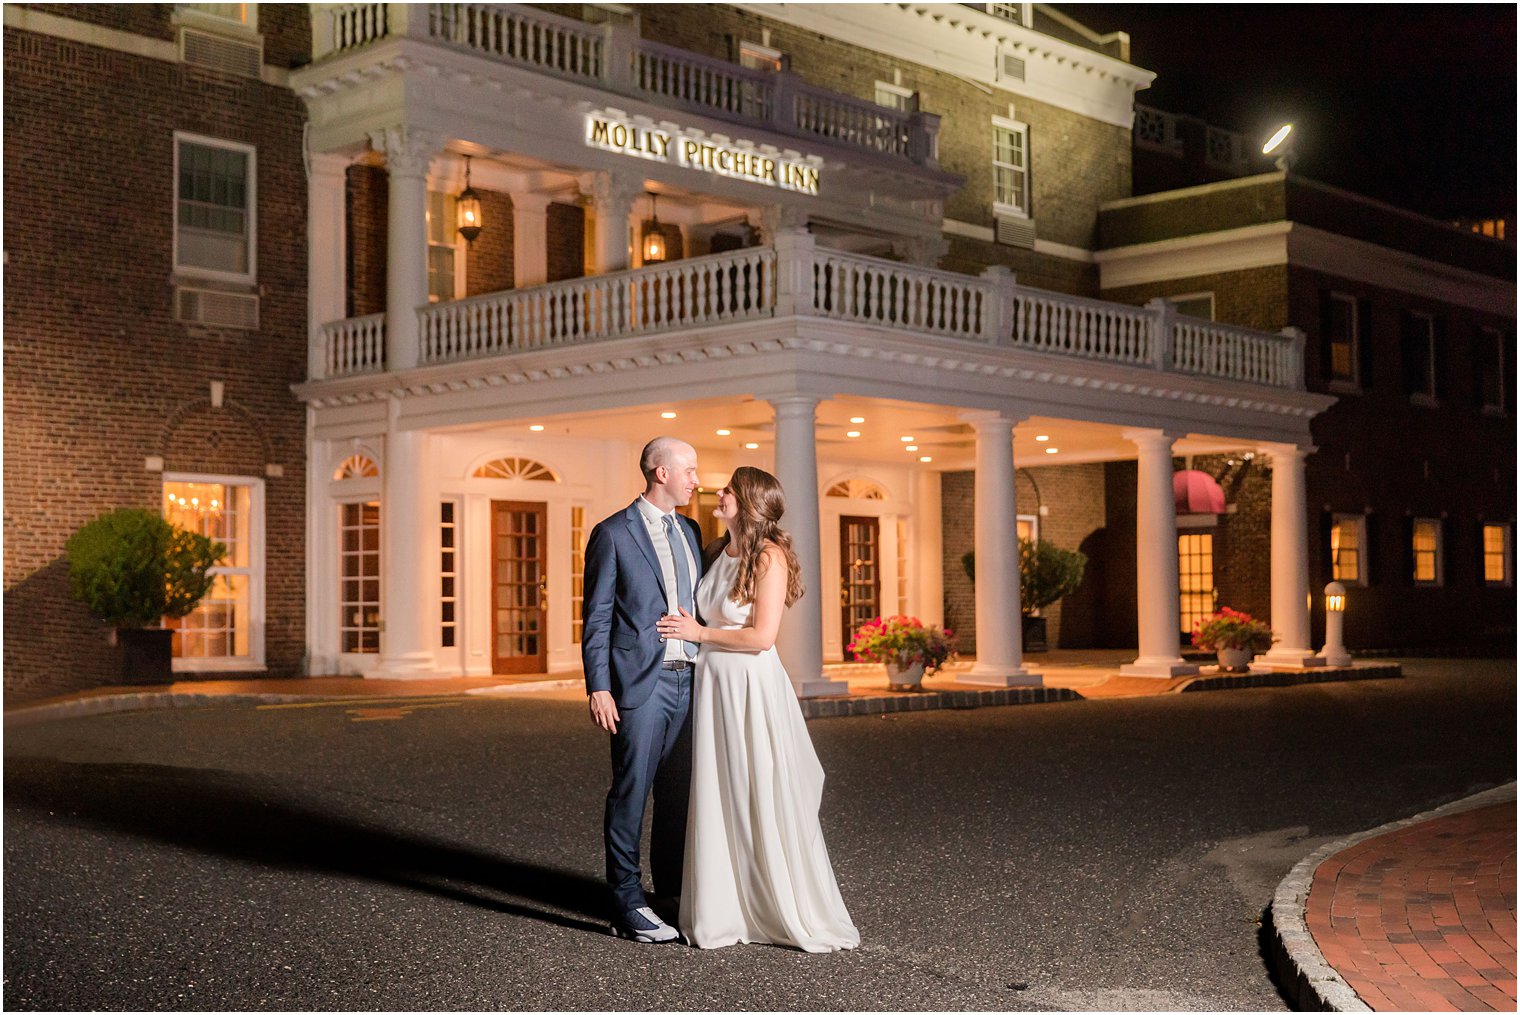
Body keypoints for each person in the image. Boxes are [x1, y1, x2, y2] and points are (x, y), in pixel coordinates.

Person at [655, 466, 859, 952]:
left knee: (754, 788)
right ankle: (722, 905)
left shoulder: (769, 557)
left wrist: (699, 634)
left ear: (747, 503)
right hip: (714, 684)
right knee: (718, 790)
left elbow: (762, 637)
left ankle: (771, 903)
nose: (718, 493)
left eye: (728, 489)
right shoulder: (717, 551)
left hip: (749, 686)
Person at [582, 436, 704, 944]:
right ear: (661, 473)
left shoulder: (693, 530)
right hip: (641, 684)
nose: (697, 480)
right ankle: (627, 903)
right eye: (690, 470)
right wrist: (599, 687)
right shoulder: (612, 533)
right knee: (631, 794)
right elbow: (597, 617)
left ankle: (670, 896)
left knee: (679, 798)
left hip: (692, 683)